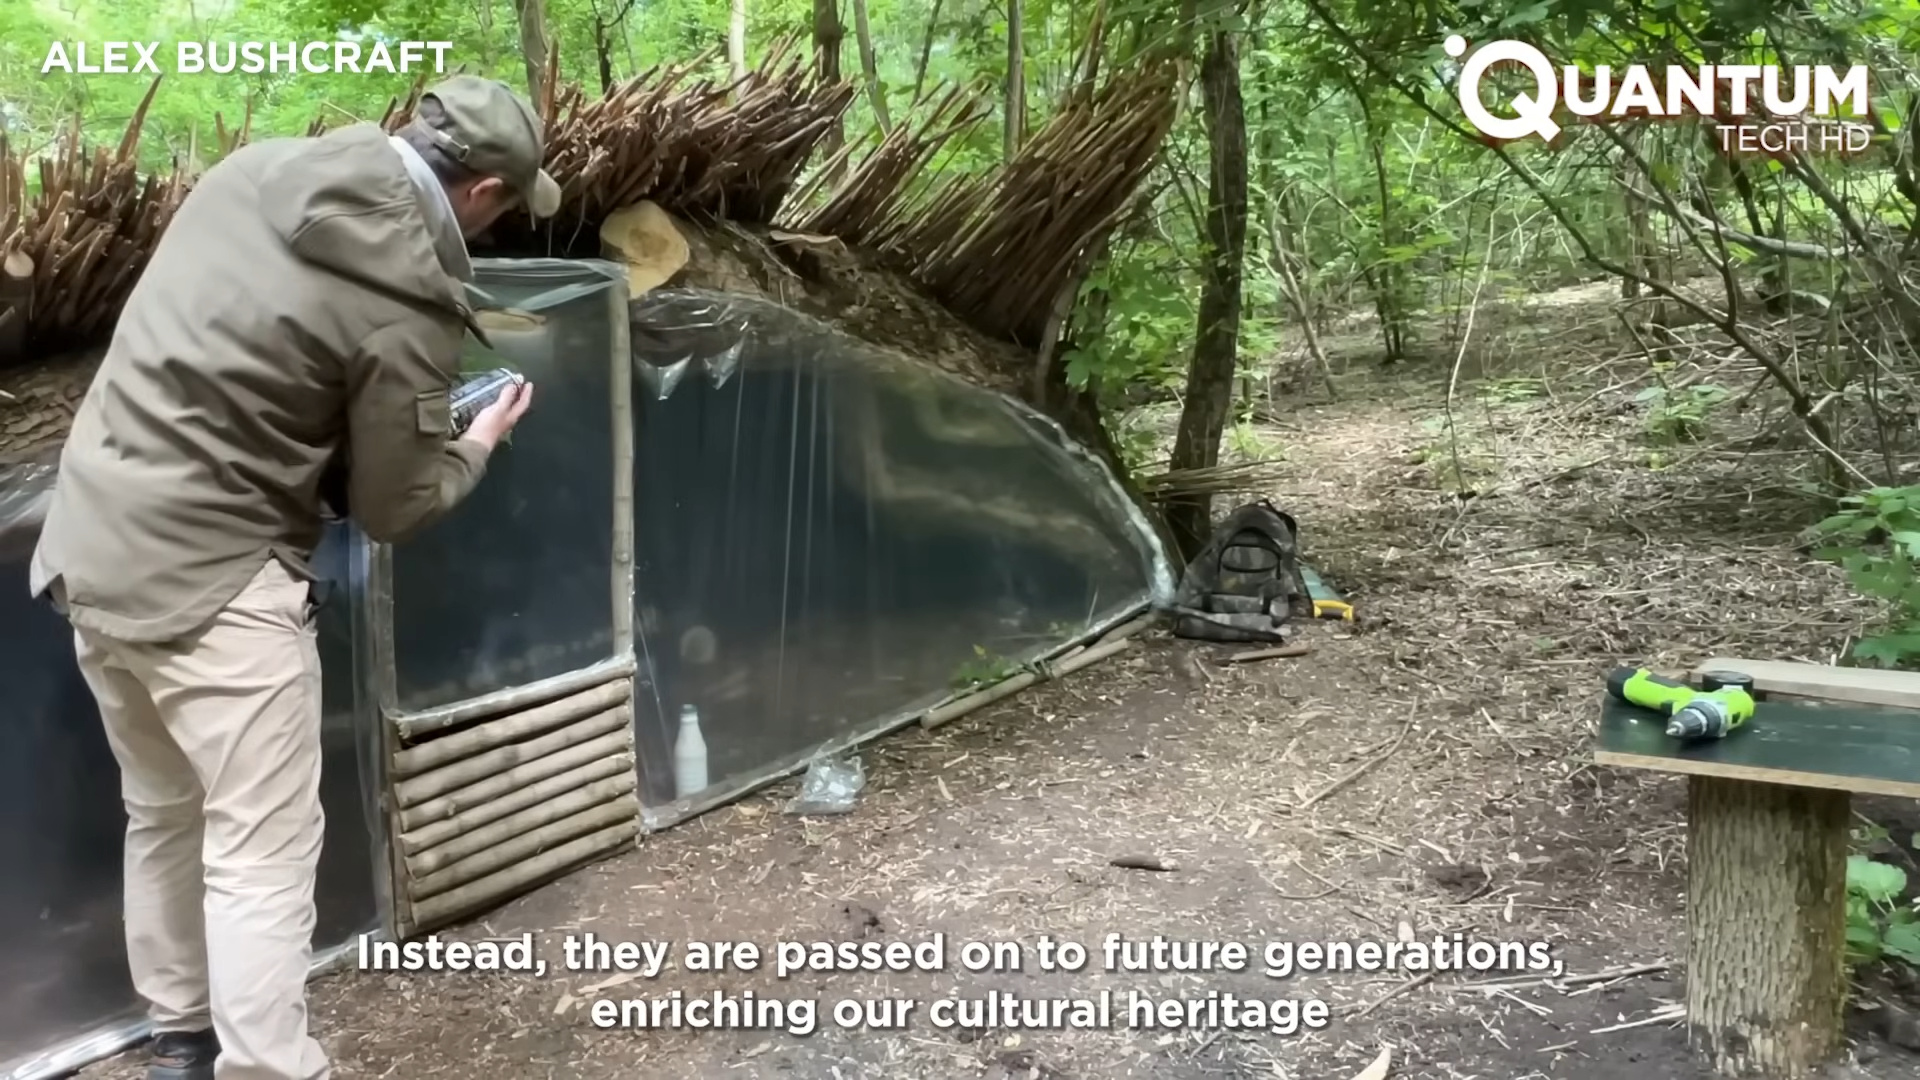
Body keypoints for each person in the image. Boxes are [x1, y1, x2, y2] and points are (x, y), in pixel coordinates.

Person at [29, 76, 560, 1080]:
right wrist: (476, 441)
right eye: (503, 211)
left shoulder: (251, 174)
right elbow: (396, 508)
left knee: (165, 813)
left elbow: (245, 372)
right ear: (484, 190)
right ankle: (271, 1069)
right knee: (259, 853)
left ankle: (179, 1040)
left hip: (91, 540)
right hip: (215, 586)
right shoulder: (409, 296)